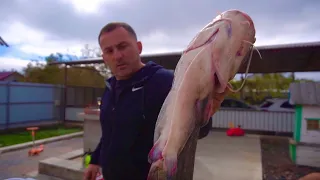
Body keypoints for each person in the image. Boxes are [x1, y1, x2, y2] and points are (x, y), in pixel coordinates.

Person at [84, 22, 212, 180]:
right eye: (109, 51)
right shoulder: (110, 88)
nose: (117, 56)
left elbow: (198, 130)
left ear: (138, 47)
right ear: (104, 58)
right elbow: (109, 133)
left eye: (123, 46)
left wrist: (205, 103)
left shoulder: (165, 82)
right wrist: (95, 160)